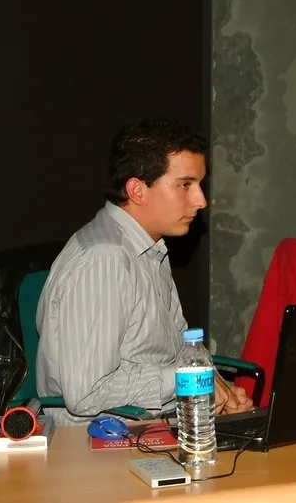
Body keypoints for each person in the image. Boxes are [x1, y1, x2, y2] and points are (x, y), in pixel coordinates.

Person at [36, 118, 253, 425]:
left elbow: (180, 350)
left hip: (152, 427)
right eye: (185, 185)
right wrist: (186, 378)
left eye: (199, 185)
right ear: (137, 190)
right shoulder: (104, 260)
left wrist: (220, 390)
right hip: (100, 441)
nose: (201, 200)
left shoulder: (148, 249)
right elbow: (86, 393)